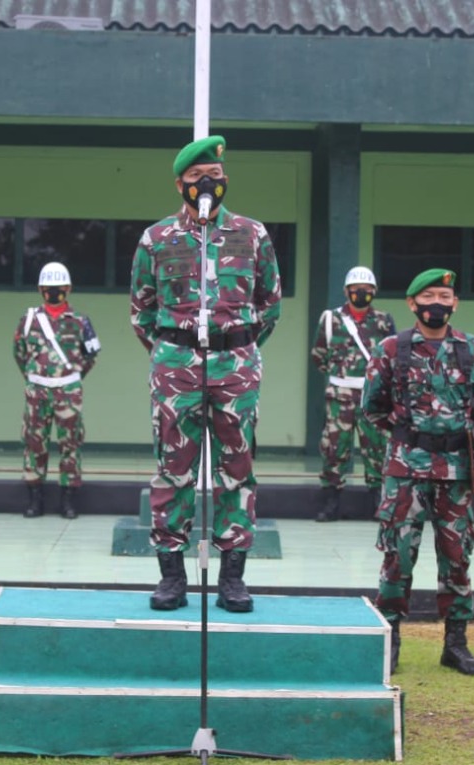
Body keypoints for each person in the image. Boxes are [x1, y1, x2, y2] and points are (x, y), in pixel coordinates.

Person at [129, 134, 283, 613]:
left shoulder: (252, 235)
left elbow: (270, 304)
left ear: (225, 180)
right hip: (175, 366)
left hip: (235, 366)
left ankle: (232, 579)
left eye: (213, 177)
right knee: (173, 469)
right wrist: (175, 353)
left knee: (236, 469)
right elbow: (142, 311)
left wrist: (233, 350)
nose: (205, 184)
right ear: (179, 183)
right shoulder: (156, 239)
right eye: (195, 177)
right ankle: (171, 576)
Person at [362, 268, 474, 676]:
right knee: (397, 557)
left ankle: (455, 645)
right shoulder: (391, 349)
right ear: (412, 304)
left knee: (457, 557)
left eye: (445, 296)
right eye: (428, 297)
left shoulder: (472, 350)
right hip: (405, 471)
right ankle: (389, 641)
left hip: (457, 472)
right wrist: (409, 439)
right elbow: (372, 407)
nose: (437, 304)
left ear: (455, 303)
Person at [12, 261, 100, 520]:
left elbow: (92, 354)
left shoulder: (80, 321)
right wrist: (35, 377)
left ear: (68, 288)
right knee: (34, 443)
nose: (53, 292)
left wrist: (72, 378)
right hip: (37, 390)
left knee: (70, 444)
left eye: (58, 287)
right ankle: (34, 500)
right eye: (49, 288)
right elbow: (18, 354)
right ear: (40, 289)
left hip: (68, 392)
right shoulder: (28, 320)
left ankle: (68, 501)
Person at [310, 265, 397, 522]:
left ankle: (379, 502)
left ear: (374, 292)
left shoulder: (383, 320)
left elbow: (390, 356)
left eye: (367, 290)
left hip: (372, 396)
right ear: (347, 291)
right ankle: (330, 503)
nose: (362, 293)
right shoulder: (331, 319)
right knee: (334, 448)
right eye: (356, 289)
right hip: (339, 395)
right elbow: (319, 355)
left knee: (377, 449)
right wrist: (341, 377)